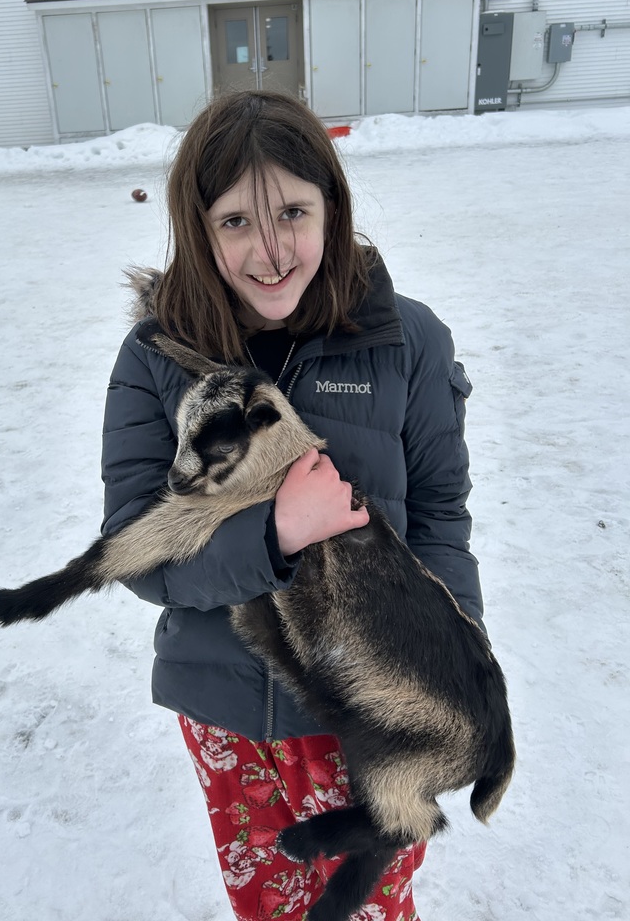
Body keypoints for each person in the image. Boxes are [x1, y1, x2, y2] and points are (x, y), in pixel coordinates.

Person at [101, 90, 482, 921]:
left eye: (293, 213)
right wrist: (274, 534)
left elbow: (440, 517)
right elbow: (135, 546)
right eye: (236, 221)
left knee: (372, 909)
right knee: (269, 905)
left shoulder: (410, 343)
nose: (270, 251)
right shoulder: (154, 357)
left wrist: (458, 669)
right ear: (199, 229)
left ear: (332, 210)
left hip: (370, 713)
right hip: (227, 714)